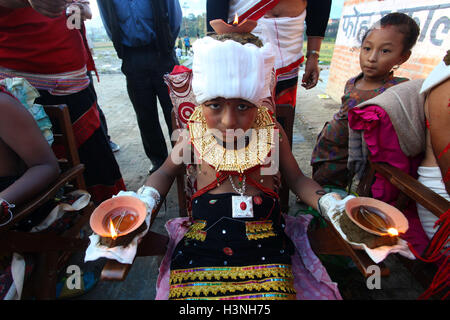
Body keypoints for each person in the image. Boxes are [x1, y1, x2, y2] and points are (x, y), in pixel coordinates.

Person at [89, 28, 352, 300]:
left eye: (242, 106)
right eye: (215, 105)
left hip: (265, 241)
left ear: (258, 102)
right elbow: (166, 171)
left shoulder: (272, 133)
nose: (228, 121)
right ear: (201, 102)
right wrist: (144, 200)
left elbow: (297, 180)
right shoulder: (193, 135)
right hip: (204, 242)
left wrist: (329, 204)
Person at [0, 0, 126, 205]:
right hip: (26, 89)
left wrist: (76, 12)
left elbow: (81, 13)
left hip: (77, 85)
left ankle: (109, 216)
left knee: (95, 160)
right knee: (41, 170)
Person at [311, 12, 420, 189]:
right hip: (331, 147)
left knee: (359, 190)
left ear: (403, 57)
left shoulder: (397, 89)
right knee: (322, 185)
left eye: (385, 51)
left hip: (362, 154)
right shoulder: (352, 82)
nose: (371, 58)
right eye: (367, 48)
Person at [97, 0, 182, 174]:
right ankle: (158, 162)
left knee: (175, 110)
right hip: (132, 58)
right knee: (145, 115)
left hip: (162, 53)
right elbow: (109, 23)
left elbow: (174, 17)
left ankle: (182, 159)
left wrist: (166, 45)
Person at [206, 0, 332, 108]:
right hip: (244, 36)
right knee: (241, 110)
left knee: (283, 115)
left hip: (289, 40)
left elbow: (320, 5)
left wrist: (313, 55)